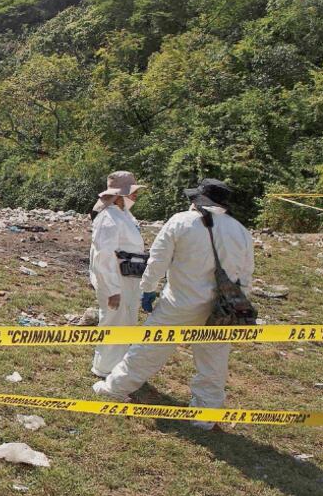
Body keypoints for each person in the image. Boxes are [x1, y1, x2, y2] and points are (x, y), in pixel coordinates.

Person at [93, 178, 255, 430]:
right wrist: (234, 304)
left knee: (148, 350)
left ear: (197, 201)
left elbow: (158, 261)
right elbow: (245, 276)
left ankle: (115, 388)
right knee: (213, 362)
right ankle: (205, 414)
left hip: (180, 303)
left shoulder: (181, 222)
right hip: (220, 308)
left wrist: (148, 289)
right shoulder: (241, 231)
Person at [88, 171, 146, 378]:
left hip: (128, 278)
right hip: (116, 281)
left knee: (125, 323)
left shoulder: (125, 215)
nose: (135, 195)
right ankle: (105, 369)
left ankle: (118, 368)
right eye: (132, 192)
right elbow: (103, 257)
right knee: (113, 322)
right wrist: (113, 290)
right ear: (119, 195)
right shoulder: (109, 219)